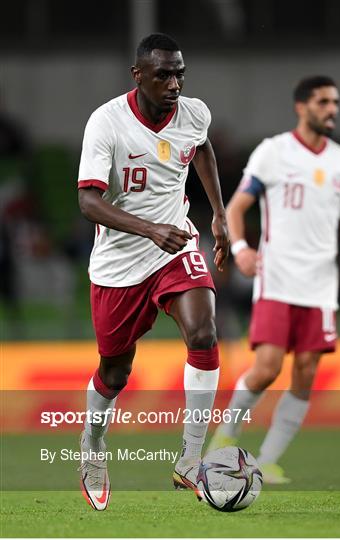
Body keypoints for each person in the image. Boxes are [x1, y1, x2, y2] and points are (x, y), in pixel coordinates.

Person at [77, 33, 228, 510]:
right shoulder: (107, 122)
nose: (174, 83)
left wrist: (219, 214)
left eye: (180, 73)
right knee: (115, 371)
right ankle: (93, 445)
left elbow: (200, 148)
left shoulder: (194, 112)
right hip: (119, 263)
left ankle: (189, 460)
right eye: (163, 74)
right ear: (138, 75)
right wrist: (148, 229)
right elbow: (87, 201)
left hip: (174, 247)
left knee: (203, 334)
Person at [208, 76, 340, 483]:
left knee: (308, 369)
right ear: (302, 107)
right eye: (323, 102)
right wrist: (241, 249)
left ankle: (268, 460)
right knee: (267, 367)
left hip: (320, 285)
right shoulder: (273, 152)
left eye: (336, 102)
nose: (332, 109)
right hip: (277, 277)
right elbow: (237, 206)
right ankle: (225, 437)